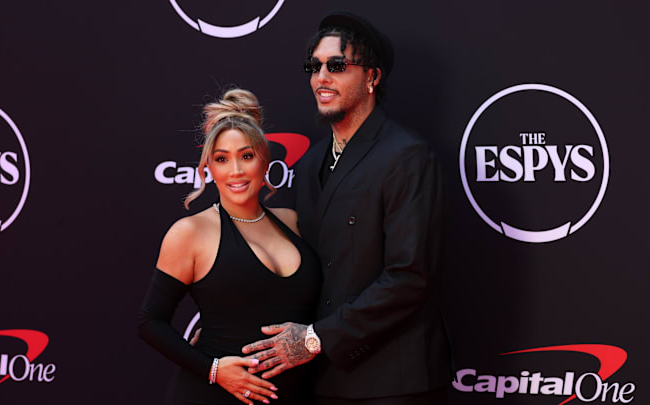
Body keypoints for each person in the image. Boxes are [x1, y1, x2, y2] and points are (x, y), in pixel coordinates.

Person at [241, 12, 452, 404]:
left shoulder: (408, 157)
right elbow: (299, 266)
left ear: (372, 78)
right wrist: (229, 321)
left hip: (394, 383)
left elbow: (410, 277)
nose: (322, 77)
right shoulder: (310, 163)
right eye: (314, 66)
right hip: (324, 379)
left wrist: (315, 338)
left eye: (337, 65)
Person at [138, 88, 321, 405]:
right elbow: (150, 323)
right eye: (222, 159)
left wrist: (315, 340)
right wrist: (213, 369)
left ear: (264, 159)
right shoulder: (191, 232)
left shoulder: (292, 222)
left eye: (246, 156)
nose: (235, 171)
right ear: (209, 165)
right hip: (215, 396)